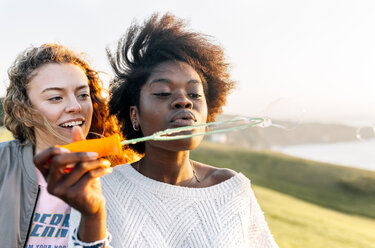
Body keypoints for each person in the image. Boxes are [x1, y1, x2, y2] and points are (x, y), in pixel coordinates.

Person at [79, 13, 277, 247]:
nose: (184, 101)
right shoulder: (100, 189)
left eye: (194, 94)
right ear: (134, 115)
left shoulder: (232, 188)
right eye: (163, 92)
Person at [0, 43, 135, 247]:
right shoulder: (3, 165)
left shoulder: (120, 175)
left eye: (83, 95)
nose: (75, 106)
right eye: (56, 98)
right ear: (24, 113)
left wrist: (93, 215)